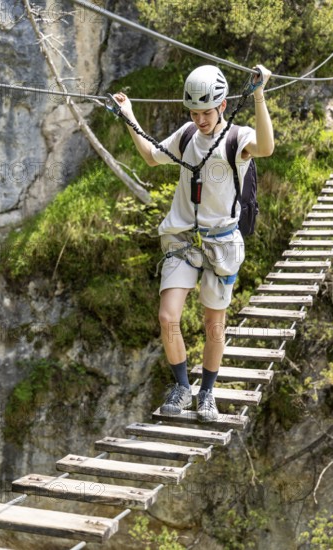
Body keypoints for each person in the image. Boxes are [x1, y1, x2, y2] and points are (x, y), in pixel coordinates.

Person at [114, 64, 274, 422]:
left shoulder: (237, 138)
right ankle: (182, 385)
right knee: (168, 315)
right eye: (194, 112)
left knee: (213, 324)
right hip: (182, 237)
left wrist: (260, 93)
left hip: (222, 243)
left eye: (206, 112)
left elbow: (266, 147)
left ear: (223, 105)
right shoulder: (187, 134)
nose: (200, 120)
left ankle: (207, 393)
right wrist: (128, 116)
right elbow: (151, 156)